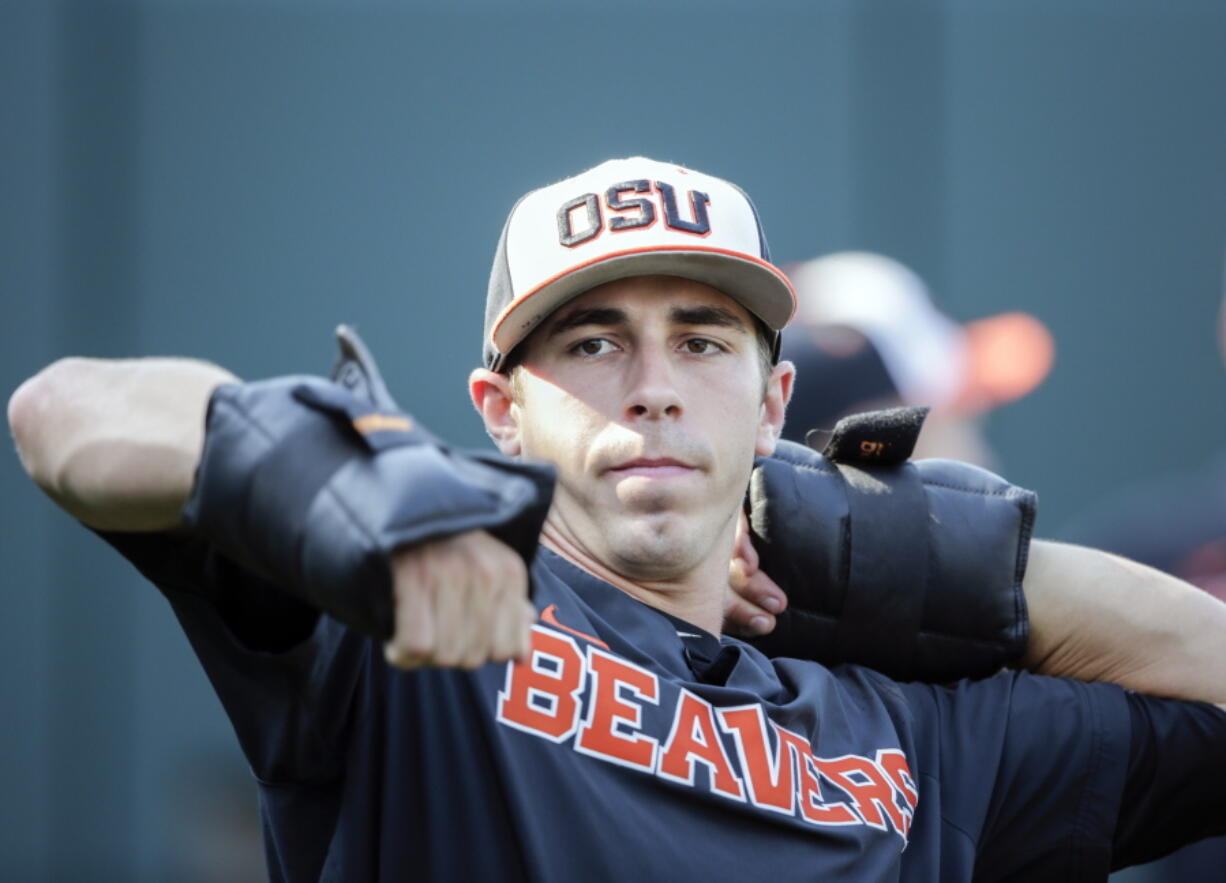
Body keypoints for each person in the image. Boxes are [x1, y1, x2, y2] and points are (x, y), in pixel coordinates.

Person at [9, 156, 1226, 881]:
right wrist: (339, 486)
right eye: (592, 343)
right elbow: (67, 413)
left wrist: (926, 567)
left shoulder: (908, 735)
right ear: (499, 410)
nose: (650, 381)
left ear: (773, 401)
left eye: (700, 341)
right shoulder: (420, 611)